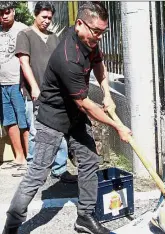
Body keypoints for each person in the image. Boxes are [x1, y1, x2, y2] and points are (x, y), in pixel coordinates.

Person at [3, 2, 132, 234]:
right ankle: (11, 226)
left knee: (90, 160)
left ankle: (84, 217)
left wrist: (107, 93)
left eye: (104, 32)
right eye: (97, 31)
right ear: (80, 24)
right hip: (52, 117)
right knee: (38, 174)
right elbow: (87, 105)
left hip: (75, 115)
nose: (100, 37)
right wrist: (117, 126)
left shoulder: (89, 40)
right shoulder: (67, 56)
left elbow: (98, 64)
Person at [16, 1, 77, 183]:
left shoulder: (53, 37)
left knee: (59, 130)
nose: (47, 21)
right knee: (36, 131)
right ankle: (35, 170)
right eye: (44, 17)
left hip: (55, 93)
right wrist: (34, 86)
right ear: (36, 15)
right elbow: (23, 62)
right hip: (34, 93)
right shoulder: (25, 35)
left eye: (50, 18)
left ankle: (59, 169)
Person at [0, 2, 29, 170]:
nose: (4, 15)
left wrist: (26, 82)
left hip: (17, 83)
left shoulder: (22, 29)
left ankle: (29, 159)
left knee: (23, 121)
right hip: (1, 83)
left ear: (13, 12)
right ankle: (19, 158)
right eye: (1, 12)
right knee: (9, 121)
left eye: (7, 12)